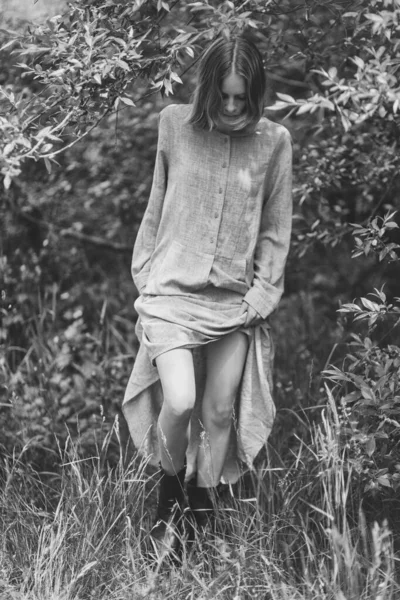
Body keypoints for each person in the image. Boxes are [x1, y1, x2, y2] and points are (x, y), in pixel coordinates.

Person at [122, 34, 292, 556]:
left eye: (244, 97)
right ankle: (165, 510)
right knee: (180, 398)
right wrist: (146, 275)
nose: (235, 107)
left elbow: (274, 228)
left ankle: (196, 534)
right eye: (226, 97)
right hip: (171, 291)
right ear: (208, 92)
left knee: (219, 415)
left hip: (233, 300)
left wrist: (262, 296)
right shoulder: (174, 123)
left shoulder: (275, 141)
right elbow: (157, 202)